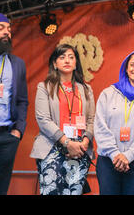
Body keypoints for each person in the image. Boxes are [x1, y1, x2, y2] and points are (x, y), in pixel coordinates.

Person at [30, 44, 95, 195]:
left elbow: (92, 120)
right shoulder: (45, 87)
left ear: (76, 63)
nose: (67, 60)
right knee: (51, 191)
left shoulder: (86, 89)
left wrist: (85, 142)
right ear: (55, 63)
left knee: (73, 191)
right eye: (62, 57)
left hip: (79, 150)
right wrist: (67, 142)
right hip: (52, 147)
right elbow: (43, 119)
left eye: (71, 57)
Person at [94, 49, 134, 195]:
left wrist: (128, 156)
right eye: (132, 65)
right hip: (108, 160)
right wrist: (115, 154)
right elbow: (100, 127)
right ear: (126, 67)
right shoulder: (108, 93)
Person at [0, 13, 29, 195]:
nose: (6, 33)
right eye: (1, 28)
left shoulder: (17, 64)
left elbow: (22, 100)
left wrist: (17, 131)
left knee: (2, 186)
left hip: (7, 136)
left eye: (9, 29)